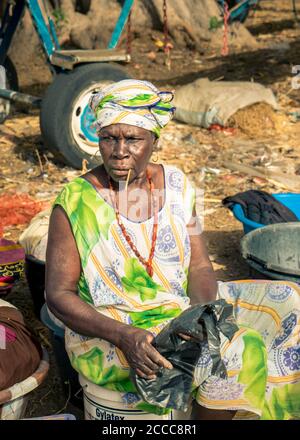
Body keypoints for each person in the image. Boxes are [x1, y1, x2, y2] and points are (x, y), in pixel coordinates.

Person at [46, 79, 300, 420]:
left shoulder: (178, 186)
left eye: (132, 139)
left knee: (289, 299)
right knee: (240, 347)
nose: (119, 151)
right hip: (116, 330)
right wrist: (124, 335)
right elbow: (58, 295)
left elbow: (199, 268)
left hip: (179, 309)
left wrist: (201, 315)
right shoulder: (74, 203)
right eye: (109, 138)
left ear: (154, 140)